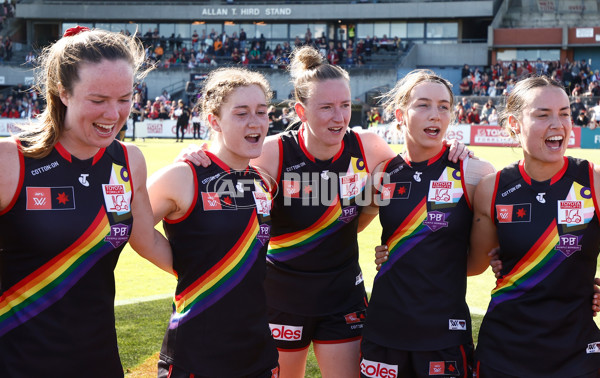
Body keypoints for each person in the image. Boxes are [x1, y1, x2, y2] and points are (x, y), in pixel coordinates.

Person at [182, 46, 471, 378]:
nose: (339, 117)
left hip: (343, 296)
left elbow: (416, 170)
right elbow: (222, 168)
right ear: (301, 111)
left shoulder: (368, 146)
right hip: (281, 297)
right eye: (327, 108)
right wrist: (196, 153)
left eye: (345, 106)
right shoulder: (274, 153)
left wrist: (452, 149)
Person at [0, 26, 172, 377]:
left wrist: (238, 275)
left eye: (124, 99)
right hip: (17, 362)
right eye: (98, 100)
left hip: (99, 362)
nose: (114, 114)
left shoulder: (128, 161)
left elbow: (148, 241)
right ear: (63, 92)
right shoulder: (11, 161)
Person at [362, 69, 495, 378]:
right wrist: (391, 253)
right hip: (384, 328)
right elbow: (349, 228)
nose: (435, 115)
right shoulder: (383, 173)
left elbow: (478, 263)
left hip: (443, 331)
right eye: (423, 105)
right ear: (400, 114)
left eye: (443, 106)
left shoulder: (474, 172)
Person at [149, 67, 280, 378]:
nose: (255, 121)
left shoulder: (263, 182)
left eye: (262, 112)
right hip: (196, 353)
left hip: (257, 353)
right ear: (213, 120)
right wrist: (187, 265)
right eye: (241, 113)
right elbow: (128, 229)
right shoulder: (183, 175)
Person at [467, 76, 600, 377]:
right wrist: (394, 252)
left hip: (577, 354)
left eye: (565, 113)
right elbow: (472, 264)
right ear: (514, 123)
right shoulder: (492, 188)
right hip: (503, 350)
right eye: (543, 114)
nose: (559, 124)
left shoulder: (593, 181)